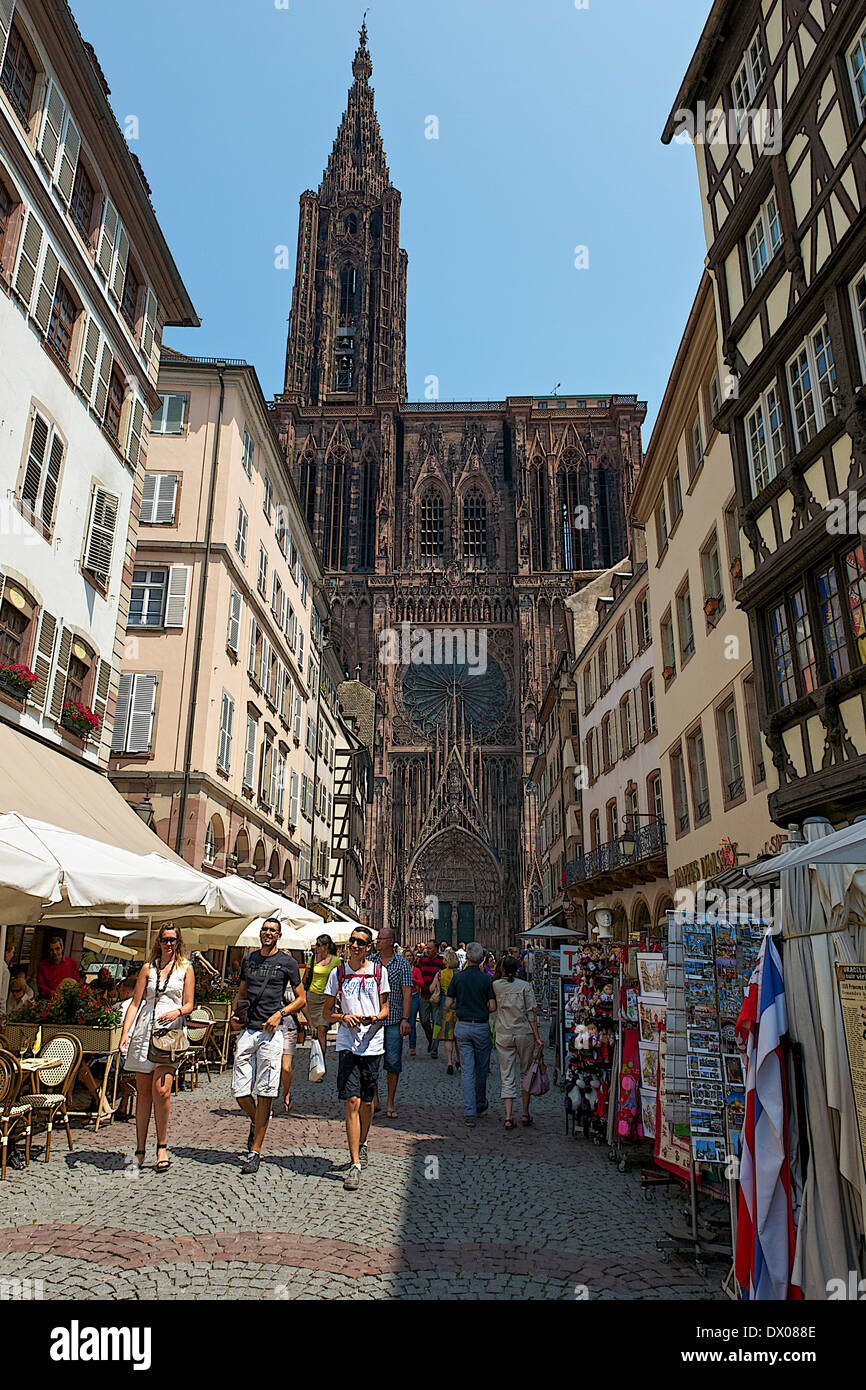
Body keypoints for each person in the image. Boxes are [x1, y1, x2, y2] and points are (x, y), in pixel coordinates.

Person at [229, 919, 305, 1173]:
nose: (268, 934)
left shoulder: (288, 963)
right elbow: (241, 993)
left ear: (279, 936)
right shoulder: (250, 959)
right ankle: (257, 1120)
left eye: (272, 931)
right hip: (249, 1030)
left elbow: (301, 999)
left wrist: (280, 1013)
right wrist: (234, 1014)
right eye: (265, 930)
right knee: (240, 1091)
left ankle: (255, 1151)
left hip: (272, 1033)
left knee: (265, 1091)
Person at [120, 922, 195, 1171]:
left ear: (178, 942)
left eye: (173, 940)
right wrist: (125, 1033)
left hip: (168, 1036)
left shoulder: (186, 968)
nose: (169, 944)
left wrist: (177, 1012)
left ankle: (161, 1146)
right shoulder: (147, 969)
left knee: (161, 1091)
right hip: (144, 1032)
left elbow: (189, 1004)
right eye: (165, 940)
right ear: (159, 942)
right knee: (143, 1095)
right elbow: (135, 1003)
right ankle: (140, 1149)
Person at [322, 925, 389, 1191]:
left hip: (373, 1044)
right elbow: (327, 1013)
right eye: (352, 941)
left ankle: (361, 1142)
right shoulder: (338, 974)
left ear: (369, 947)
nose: (355, 945)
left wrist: (375, 1017)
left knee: (368, 1103)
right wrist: (343, 1017)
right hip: (348, 1043)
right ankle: (354, 1163)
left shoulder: (378, 972)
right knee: (352, 1100)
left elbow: (386, 1009)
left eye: (361, 942)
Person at [446, 942, 496, 1126]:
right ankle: (481, 1104)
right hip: (481, 1026)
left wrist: (461, 1006)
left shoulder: (458, 977)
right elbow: (492, 1007)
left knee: (467, 1070)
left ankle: (469, 1112)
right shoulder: (486, 980)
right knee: (481, 1069)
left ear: (466, 958)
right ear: (482, 959)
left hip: (463, 1026)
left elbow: (448, 1004)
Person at [493, 955, 544, 1128]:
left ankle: (508, 1116)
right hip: (524, 1033)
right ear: (517, 970)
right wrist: (537, 1037)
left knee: (506, 1075)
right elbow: (532, 1013)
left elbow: (491, 1006)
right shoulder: (525, 986)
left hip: (504, 1033)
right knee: (526, 1073)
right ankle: (524, 1113)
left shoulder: (496, 985)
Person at [370, 927, 412, 1118]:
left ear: (391, 941)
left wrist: (406, 1018)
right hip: (372, 1020)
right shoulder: (369, 962)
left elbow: (406, 992)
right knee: (370, 1061)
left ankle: (390, 1102)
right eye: (377, 938)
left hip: (394, 1020)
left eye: (381, 938)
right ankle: (375, 1099)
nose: (377, 941)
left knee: (393, 1062)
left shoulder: (402, 964)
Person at [300, 934, 339, 1065]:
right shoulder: (312, 959)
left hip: (326, 999)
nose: (316, 948)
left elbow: (340, 981)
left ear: (326, 946)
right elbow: (305, 979)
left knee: (322, 1030)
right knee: (314, 1030)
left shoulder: (335, 961)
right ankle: (315, 1059)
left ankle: (320, 1063)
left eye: (318, 945)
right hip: (312, 997)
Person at [433, 948, 461, 1073]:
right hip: (459, 1005)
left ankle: (449, 1062)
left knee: (447, 1036)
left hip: (445, 1005)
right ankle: (459, 1059)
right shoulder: (461, 974)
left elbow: (431, 989)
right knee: (459, 1036)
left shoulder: (440, 974)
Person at [415, 940, 444, 1058]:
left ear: (437, 950)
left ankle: (434, 1049)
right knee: (424, 1020)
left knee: (437, 1022)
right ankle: (432, 1040)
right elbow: (416, 973)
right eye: (426, 948)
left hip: (436, 997)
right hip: (424, 995)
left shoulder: (442, 962)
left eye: (430, 948)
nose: (427, 950)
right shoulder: (422, 960)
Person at [405, 950, 423, 1056]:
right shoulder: (400, 969)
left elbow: (421, 983)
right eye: (407, 956)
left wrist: (413, 980)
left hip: (413, 997)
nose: (409, 958)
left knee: (411, 1022)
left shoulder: (416, 970)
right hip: (401, 998)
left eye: (410, 956)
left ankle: (412, 1046)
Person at [0, 938, 14, 1018]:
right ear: (6, 953)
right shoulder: (4, 971)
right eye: (12, 952)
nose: (12, 955)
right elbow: (2, 998)